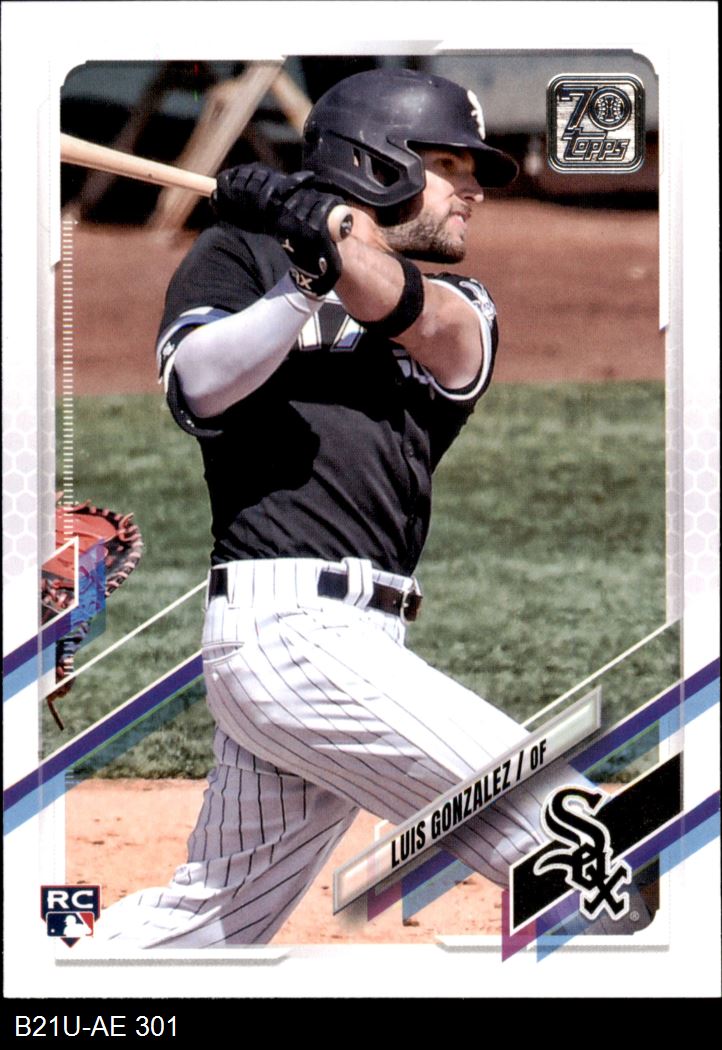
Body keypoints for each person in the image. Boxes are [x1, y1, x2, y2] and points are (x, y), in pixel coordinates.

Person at [97, 67, 650, 947]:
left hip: (362, 645)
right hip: (286, 637)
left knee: (200, 934)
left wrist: (323, 236)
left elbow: (425, 325)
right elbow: (198, 386)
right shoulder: (239, 258)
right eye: (450, 165)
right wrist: (297, 281)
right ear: (378, 162)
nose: (474, 189)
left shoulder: (465, 306)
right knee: (597, 855)